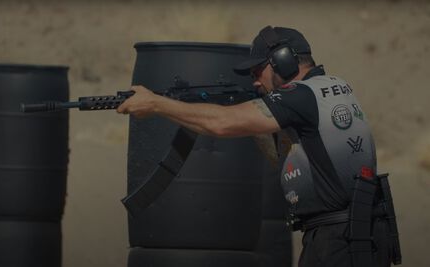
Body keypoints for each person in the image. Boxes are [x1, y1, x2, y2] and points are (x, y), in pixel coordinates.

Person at [117, 26, 398, 267]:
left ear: (284, 60)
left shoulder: (299, 96)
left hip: (338, 239)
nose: (254, 79)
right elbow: (286, 157)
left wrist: (156, 104)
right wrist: (250, 114)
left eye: (258, 69)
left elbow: (222, 125)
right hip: (355, 232)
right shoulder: (331, 88)